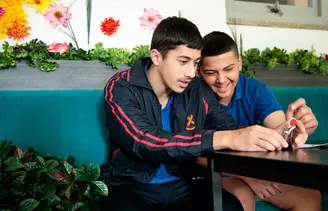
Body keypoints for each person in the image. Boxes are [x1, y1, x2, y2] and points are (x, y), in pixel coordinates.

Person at [102, 17, 308, 211]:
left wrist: (282, 133)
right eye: (183, 62)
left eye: (195, 63)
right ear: (157, 56)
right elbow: (145, 141)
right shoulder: (122, 88)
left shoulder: (196, 90)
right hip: (131, 186)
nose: (191, 73)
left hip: (183, 183)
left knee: (231, 207)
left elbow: (232, 129)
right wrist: (227, 138)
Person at [197, 31, 321, 211]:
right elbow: (195, 156)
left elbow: (279, 128)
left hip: (253, 170)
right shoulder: (193, 96)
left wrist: (295, 128)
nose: (222, 80)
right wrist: (249, 178)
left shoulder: (254, 89)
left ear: (239, 62)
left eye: (229, 69)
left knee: (309, 197)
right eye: (211, 72)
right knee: (241, 194)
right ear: (199, 71)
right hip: (215, 173)